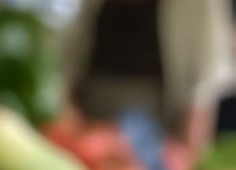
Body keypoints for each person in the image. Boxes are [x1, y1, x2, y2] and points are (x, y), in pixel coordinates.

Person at [63, 0, 233, 151]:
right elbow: (72, 57)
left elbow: (205, 78)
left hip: (158, 130)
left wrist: (188, 149)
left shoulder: (198, 5)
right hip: (90, 124)